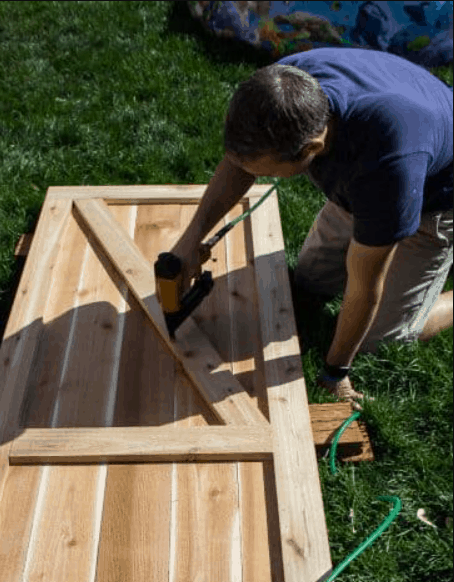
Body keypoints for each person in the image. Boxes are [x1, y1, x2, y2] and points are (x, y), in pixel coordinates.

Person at [169, 47, 453, 405]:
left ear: (313, 147)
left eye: (265, 172)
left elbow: (367, 284)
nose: (254, 177)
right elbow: (239, 163)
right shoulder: (281, 90)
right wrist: (191, 238)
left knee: (381, 339)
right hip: (368, 168)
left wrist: (336, 371)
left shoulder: (388, 164)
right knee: (306, 283)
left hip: (437, 198)